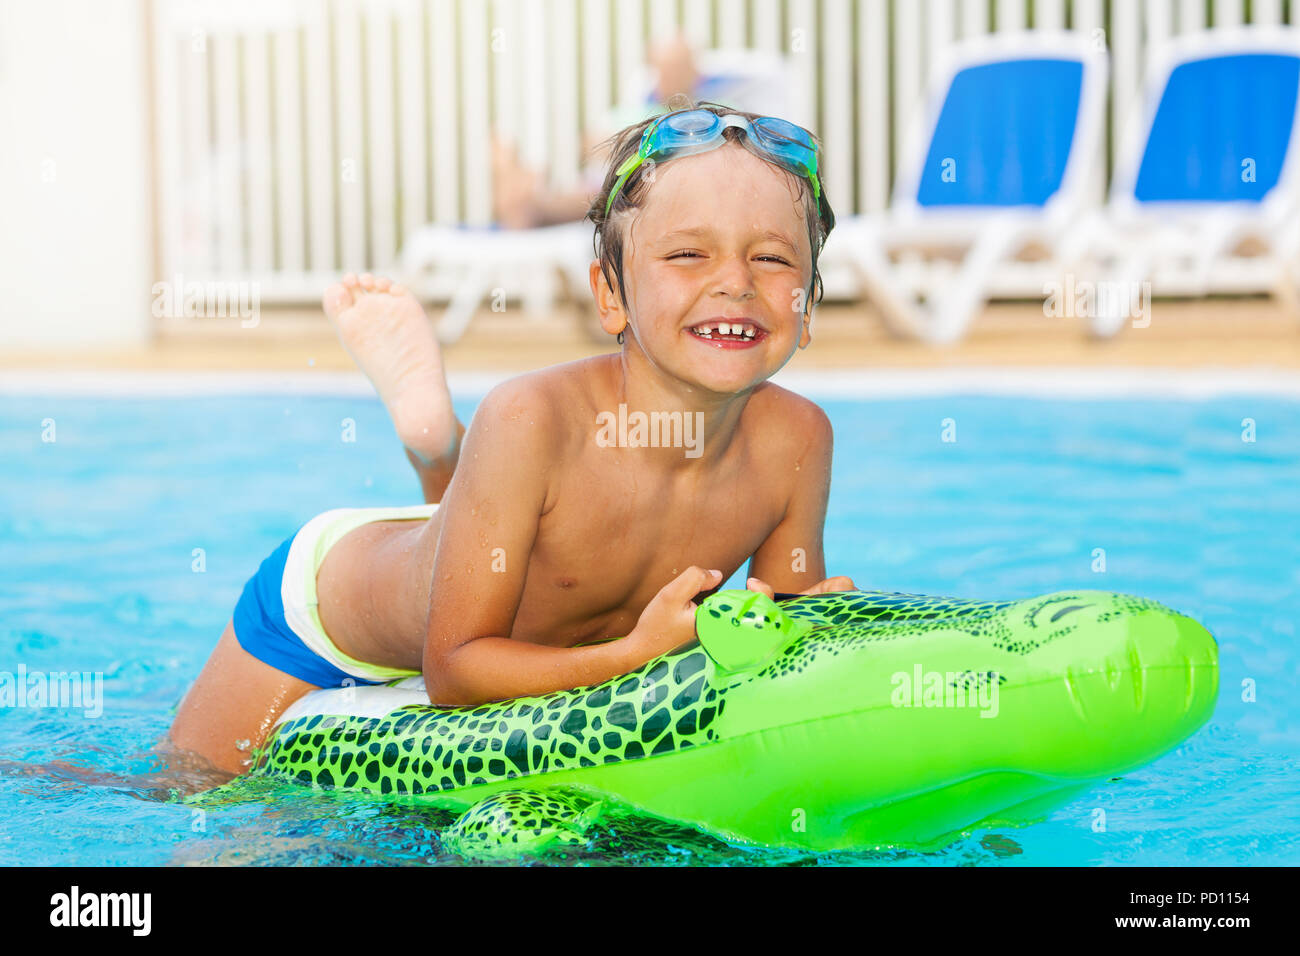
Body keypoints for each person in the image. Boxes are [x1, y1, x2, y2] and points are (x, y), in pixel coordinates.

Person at [165, 100, 855, 777]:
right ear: (610, 296)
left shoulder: (798, 440)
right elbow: (454, 670)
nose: (734, 283)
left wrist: (813, 626)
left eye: (771, 259)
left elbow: (771, 657)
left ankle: (445, 459)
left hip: (502, 566)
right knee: (192, 797)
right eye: (687, 254)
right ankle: (438, 446)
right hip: (326, 621)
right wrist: (633, 655)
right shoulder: (532, 416)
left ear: (809, 303)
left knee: (502, 529)